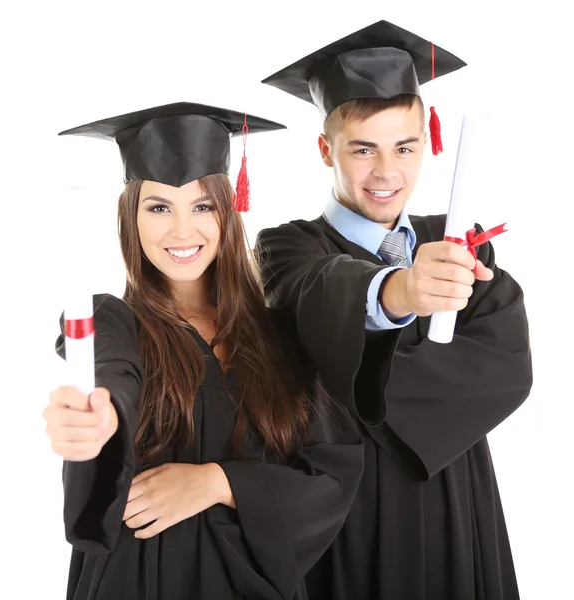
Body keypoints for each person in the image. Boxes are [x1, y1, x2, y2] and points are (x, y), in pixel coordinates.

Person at [42, 101, 364, 600]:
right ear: (131, 218)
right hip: (144, 582)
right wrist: (98, 421)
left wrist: (218, 482)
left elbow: (331, 475)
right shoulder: (115, 323)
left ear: (227, 210)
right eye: (158, 207)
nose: (181, 231)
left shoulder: (281, 336)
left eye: (202, 205)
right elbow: (108, 376)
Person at [257, 20, 533, 600]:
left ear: (426, 142)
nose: (387, 172)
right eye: (363, 149)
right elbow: (314, 293)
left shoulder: (459, 240)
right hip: (349, 513)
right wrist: (398, 293)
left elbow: (508, 365)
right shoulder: (286, 246)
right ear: (324, 148)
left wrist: (356, 381)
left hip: (459, 498)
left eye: (404, 147)